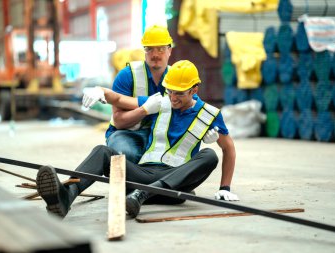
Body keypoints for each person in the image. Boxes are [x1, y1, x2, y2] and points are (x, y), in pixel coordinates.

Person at [36, 60, 239, 219]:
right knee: (102, 151)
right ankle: (66, 196)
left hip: (175, 185)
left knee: (209, 155)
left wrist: (225, 187)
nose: (173, 97)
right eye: (170, 91)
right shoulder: (161, 102)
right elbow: (120, 99)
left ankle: (142, 195)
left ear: (194, 90)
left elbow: (228, 148)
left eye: (180, 93)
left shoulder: (209, 114)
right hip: (144, 174)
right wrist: (100, 91)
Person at [85, 25, 173, 164]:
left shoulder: (177, 77)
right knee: (124, 156)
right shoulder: (128, 75)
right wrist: (144, 110)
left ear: (169, 50)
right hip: (126, 133)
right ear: (144, 51)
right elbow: (119, 121)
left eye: (161, 49)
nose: (155, 54)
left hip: (160, 136)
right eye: (149, 49)